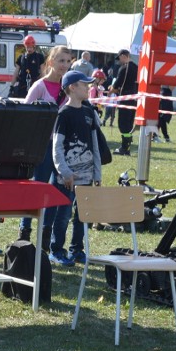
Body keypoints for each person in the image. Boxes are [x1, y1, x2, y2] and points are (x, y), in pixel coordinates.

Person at [14, 45, 72, 250]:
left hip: (62, 148)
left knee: (57, 192)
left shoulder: (70, 87)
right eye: (61, 61)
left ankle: (45, 240)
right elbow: (24, 114)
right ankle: (25, 232)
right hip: (42, 146)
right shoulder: (40, 86)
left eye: (68, 61)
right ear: (50, 62)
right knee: (37, 189)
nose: (64, 65)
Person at [49, 70, 103, 266]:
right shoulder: (63, 114)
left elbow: (95, 145)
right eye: (84, 84)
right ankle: (56, 250)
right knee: (63, 215)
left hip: (87, 176)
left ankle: (77, 250)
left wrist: (97, 172)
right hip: (67, 178)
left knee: (83, 215)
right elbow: (57, 147)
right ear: (72, 87)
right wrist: (64, 172)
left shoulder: (90, 113)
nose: (89, 87)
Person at [110, 49, 138, 155]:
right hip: (134, 99)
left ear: (123, 56)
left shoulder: (124, 68)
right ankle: (127, 147)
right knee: (129, 124)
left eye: (119, 58)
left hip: (125, 99)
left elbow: (117, 84)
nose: (119, 61)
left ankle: (124, 148)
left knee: (123, 124)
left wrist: (111, 89)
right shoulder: (137, 67)